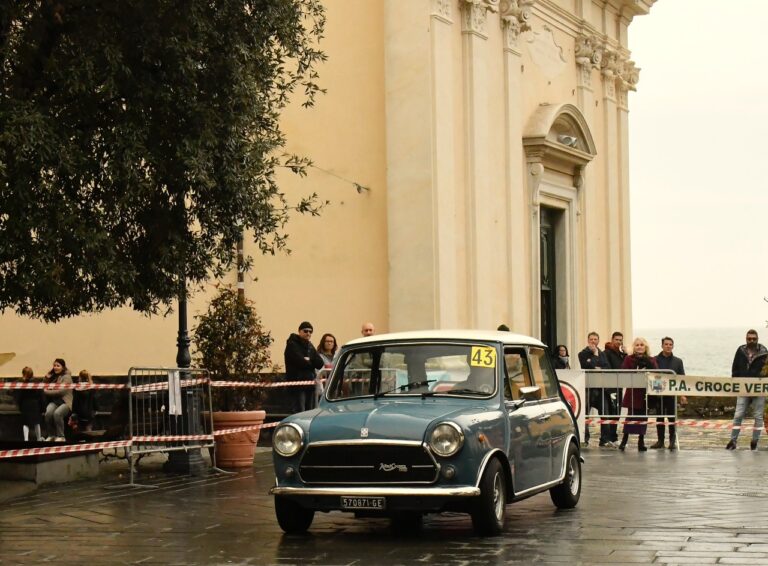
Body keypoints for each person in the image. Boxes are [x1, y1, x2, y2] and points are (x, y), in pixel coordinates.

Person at [726, 329, 768, 451]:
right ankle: (733, 441)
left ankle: (754, 442)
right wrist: (736, 382)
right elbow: (735, 368)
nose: (751, 341)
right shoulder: (740, 351)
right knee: (738, 415)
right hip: (743, 388)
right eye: (749, 338)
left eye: (754, 338)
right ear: (746, 339)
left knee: (758, 416)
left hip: (758, 389)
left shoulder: (764, 352)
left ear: (757, 339)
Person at [619, 337, 657, 452]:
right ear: (634, 347)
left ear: (645, 347)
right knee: (630, 416)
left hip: (645, 393)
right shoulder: (629, 359)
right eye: (637, 345)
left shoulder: (651, 359)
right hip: (633, 392)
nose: (639, 346)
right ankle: (624, 441)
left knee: (643, 417)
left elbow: (656, 373)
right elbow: (624, 373)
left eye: (641, 345)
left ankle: (641, 441)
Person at [651, 337, 686, 450]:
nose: (668, 346)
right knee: (660, 418)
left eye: (670, 344)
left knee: (672, 418)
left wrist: (682, 395)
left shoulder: (678, 361)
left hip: (672, 394)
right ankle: (660, 441)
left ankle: (672, 441)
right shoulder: (654, 360)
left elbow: (682, 378)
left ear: (673, 346)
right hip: (658, 393)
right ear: (662, 346)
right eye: (666, 344)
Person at [578, 332, 610, 447]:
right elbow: (585, 366)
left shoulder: (602, 353)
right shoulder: (582, 353)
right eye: (591, 339)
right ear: (588, 340)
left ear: (598, 341)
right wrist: (596, 361)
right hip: (587, 388)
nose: (593, 341)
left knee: (605, 413)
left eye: (595, 339)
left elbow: (606, 367)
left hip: (600, 388)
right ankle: (585, 439)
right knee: (585, 414)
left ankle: (604, 440)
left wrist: (595, 363)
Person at [284, 321, 324, 413]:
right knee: (299, 412)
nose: (308, 333)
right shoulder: (292, 344)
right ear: (299, 331)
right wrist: (309, 361)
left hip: (310, 384)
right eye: (305, 331)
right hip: (297, 385)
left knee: (310, 412)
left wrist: (308, 360)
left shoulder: (310, 345)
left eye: (310, 332)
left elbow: (320, 363)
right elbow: (301, 362)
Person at [602, 331, 626, 445]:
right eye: (616, 339)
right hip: (609, 387)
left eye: (620, 340)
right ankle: (607, 438)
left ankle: (613, 436)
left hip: (619, 385)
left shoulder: (621, 354)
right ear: (612, 340)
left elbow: (625, 366)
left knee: (616, 412)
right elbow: (609, 368)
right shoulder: (606, 352)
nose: (618, 342)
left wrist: (625, 354)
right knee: (610, 411)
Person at [43, 358, 73, 441]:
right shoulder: (53, 377)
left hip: (66, 402)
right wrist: (46, 377)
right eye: (54, 365)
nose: (55, 367)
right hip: (55, 402)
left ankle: (61, 436)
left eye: (58, 366)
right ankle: (51, 435)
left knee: (57, 413)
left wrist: (46, 392)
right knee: (48, 413)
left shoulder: (67, 377)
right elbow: (44, 385)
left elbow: (61, 392)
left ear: (63, 367)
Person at [13, 367, 43, 441]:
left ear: (23, 374)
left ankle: (26, 439)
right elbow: (40, 394)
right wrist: (42, 406)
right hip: (35, 404)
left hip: (25, 404)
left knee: (25, 423)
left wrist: (18, 404)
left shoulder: (20, 382)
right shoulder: (37, 381)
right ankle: (39, 438)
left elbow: (17, 395)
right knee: (37, 422)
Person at [315, 333, 338, 404]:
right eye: (327, 341)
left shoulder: (337, 355)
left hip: (335, 384)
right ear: (323, 342)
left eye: (331, 341)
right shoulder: (318, 355)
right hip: (323, 385)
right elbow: (318, 371)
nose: (329, 343)